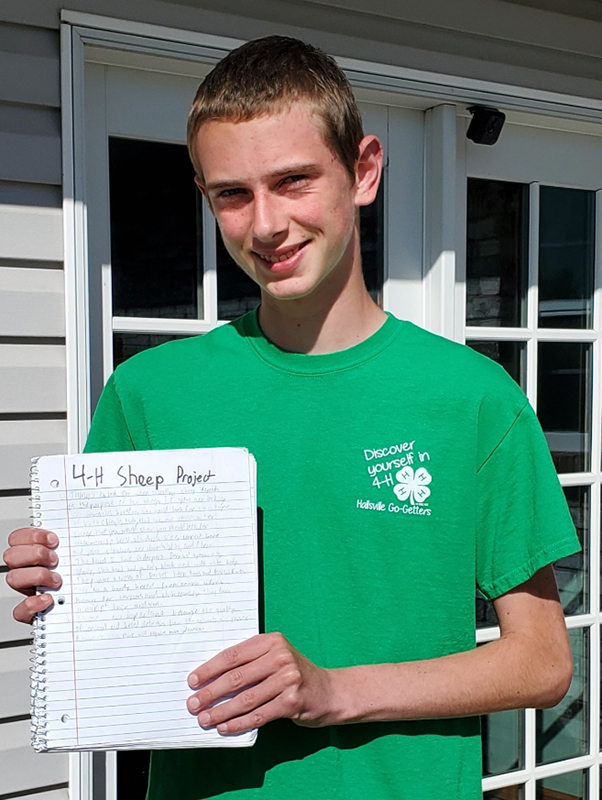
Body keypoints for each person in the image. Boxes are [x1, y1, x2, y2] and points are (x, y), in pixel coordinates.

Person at [3, 35, 579, 800]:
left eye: (294, 181)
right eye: (232, 194)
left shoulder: (473, 399)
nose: (266, 224)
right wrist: (59, 583)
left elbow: (542, 662)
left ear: (364, 171)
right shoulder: (148, 393)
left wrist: (332, 691)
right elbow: (113, 639)